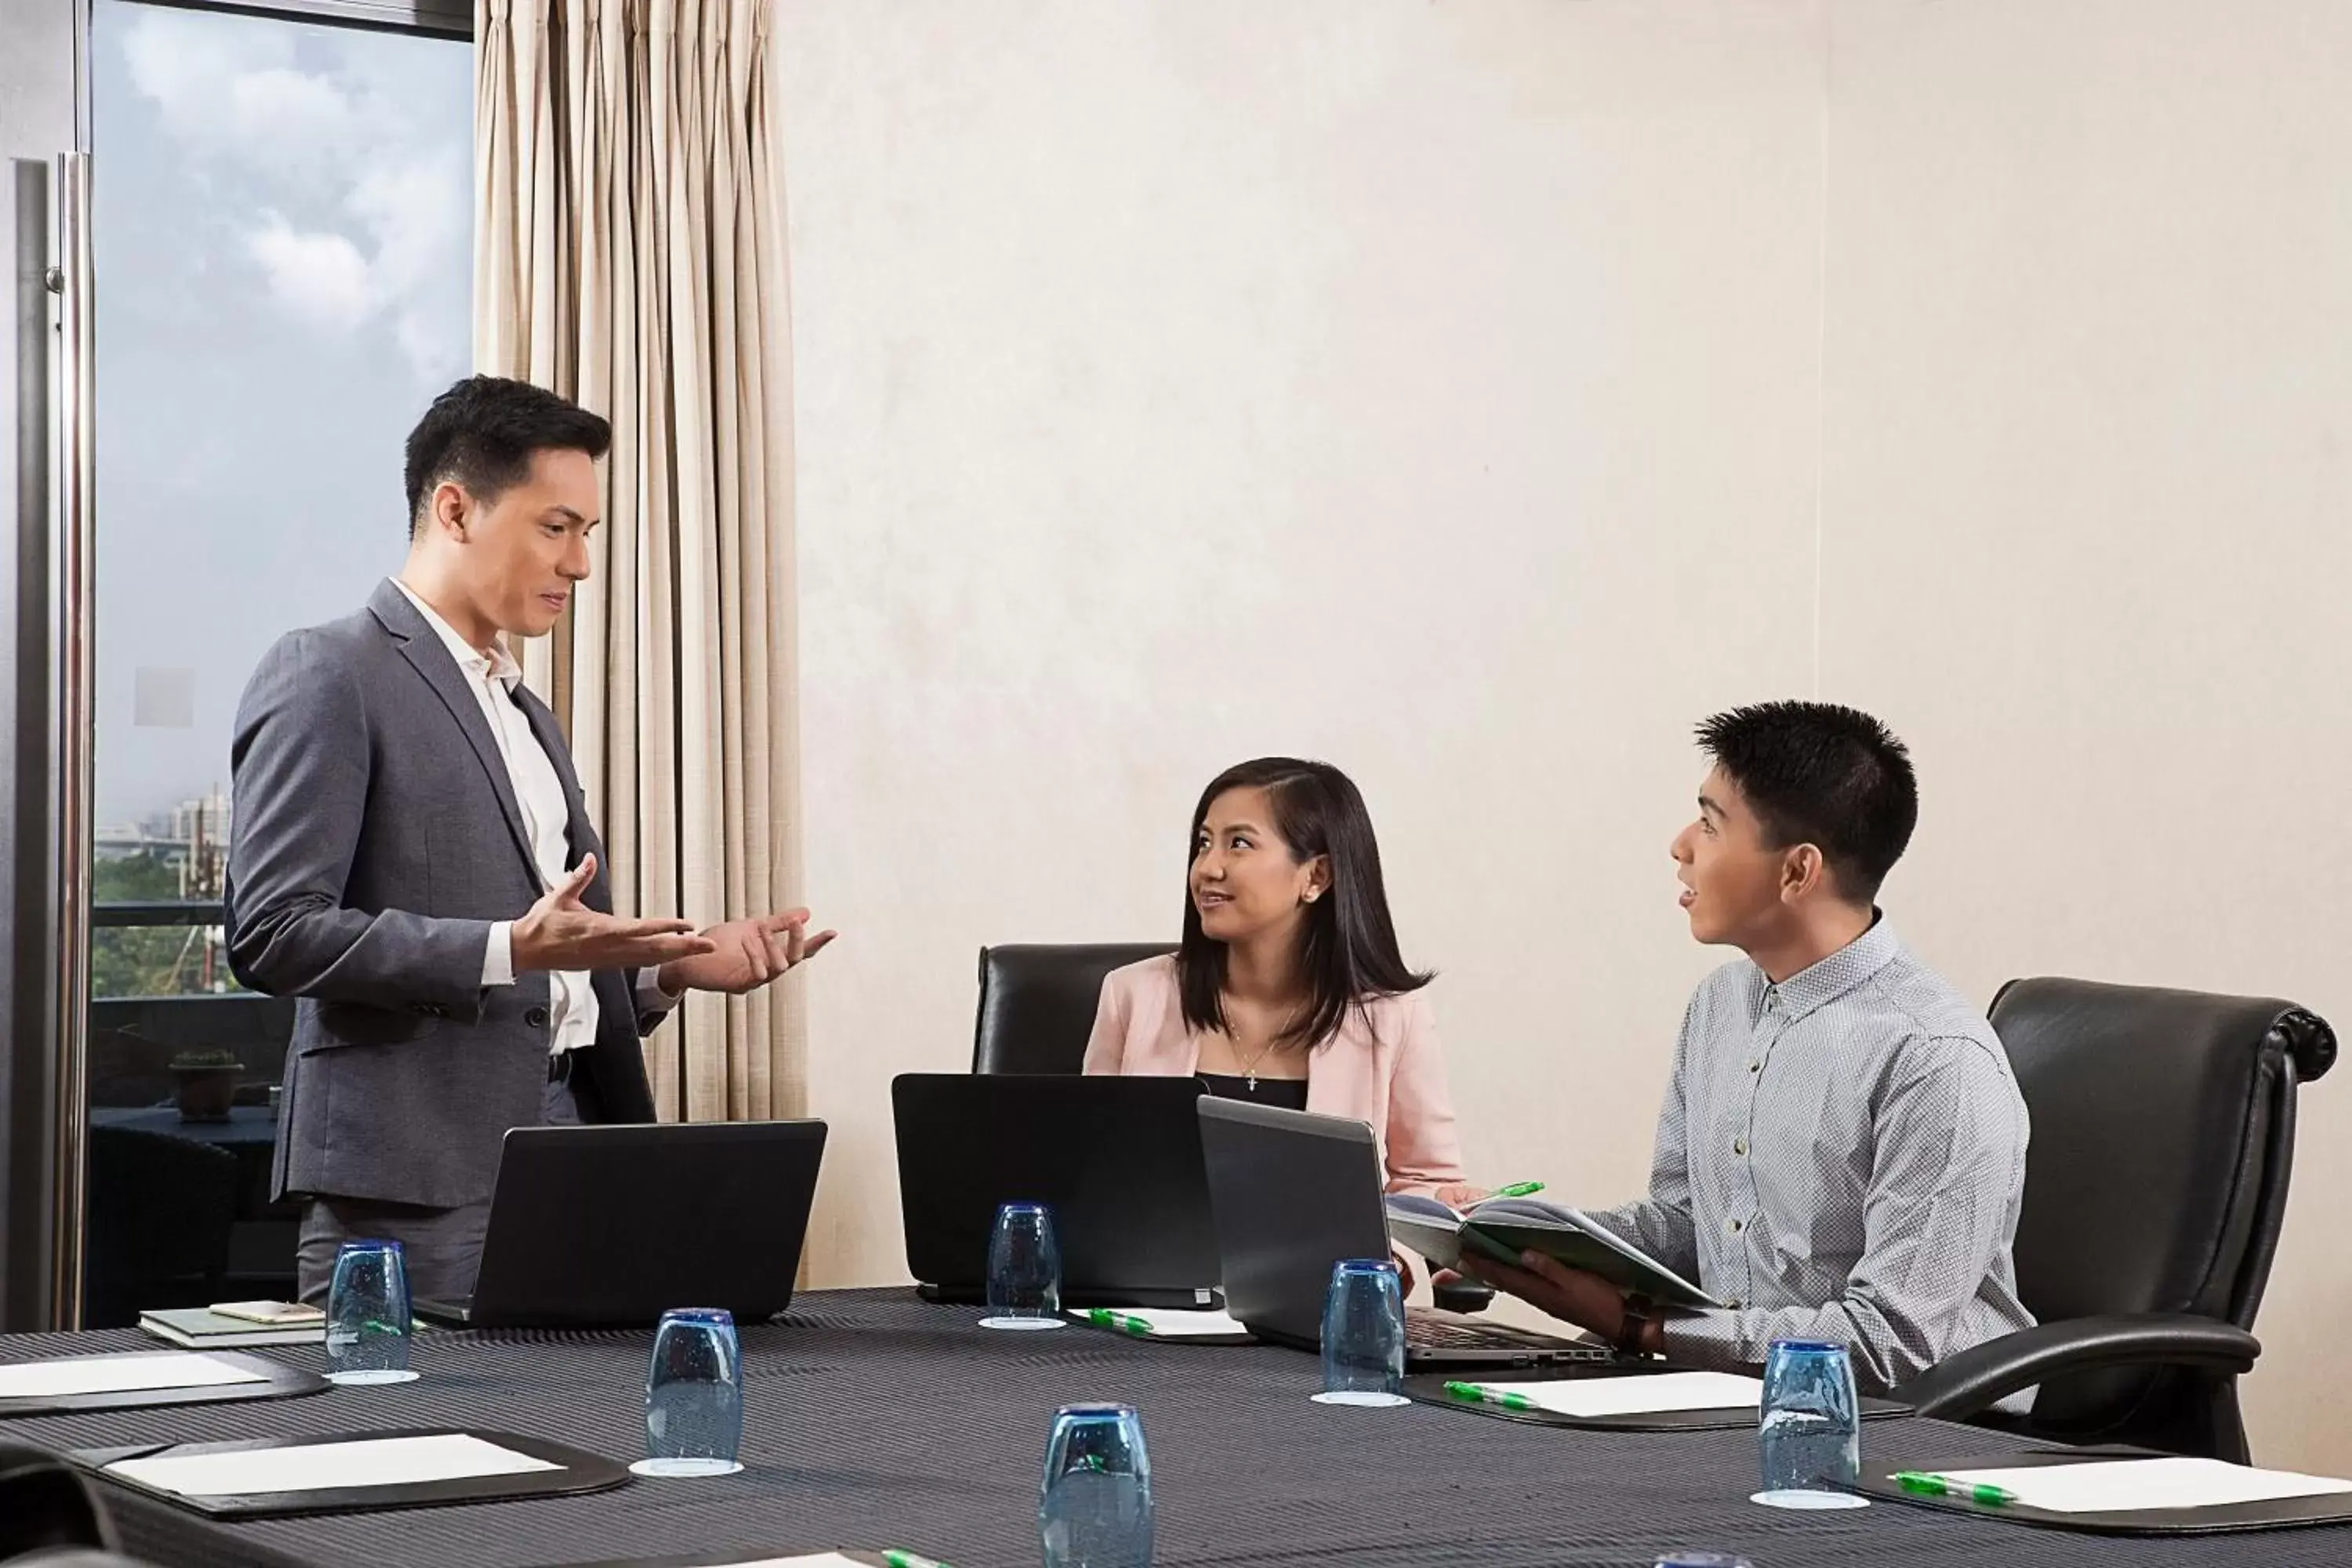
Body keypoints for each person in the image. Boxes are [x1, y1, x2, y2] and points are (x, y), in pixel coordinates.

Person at [226, 375, 836, 1305]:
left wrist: (671, 968)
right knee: (417, 1450)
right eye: (558, 526)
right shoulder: (329, 671)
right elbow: (273, 929)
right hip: (414, 1179)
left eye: (586, 532)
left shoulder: (525, 708)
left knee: (583, 1442)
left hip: (578, 1147)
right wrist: (506, 946)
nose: (581, 563)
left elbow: (554, 962)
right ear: (456, 508)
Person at [1461, 702, 2032, 1393]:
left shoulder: (1937, 1058)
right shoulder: (1721, 1005)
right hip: (1739, 1396)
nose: (1681, 845)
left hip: (1920, 1428)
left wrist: (1646, 1330)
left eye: (1709, 823)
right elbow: (1686, 1225)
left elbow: (1893, 1346)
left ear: (1798, 872)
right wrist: (1526, 1238)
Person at [1083, 757, 1468, 1200]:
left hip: (1325, 1270)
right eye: (1204, 843)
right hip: (1160, 1268)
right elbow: (1096, 1171)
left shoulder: (1392, 1016)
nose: (1208, 867)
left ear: (1316, 876)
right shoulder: (1130, 996)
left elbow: (1430, 1181)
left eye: (1239, 844)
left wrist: (1386, 1260)